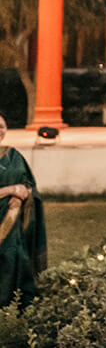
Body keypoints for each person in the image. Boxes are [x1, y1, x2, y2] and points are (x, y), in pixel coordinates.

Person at [0, 114, 45, 308]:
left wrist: (21, 195)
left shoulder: (14, 156)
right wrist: (10, 190)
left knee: (17, 259)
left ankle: (16, 307)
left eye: (2, 126)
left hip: (13, 224)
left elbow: (28, 185)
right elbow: (14, 186)